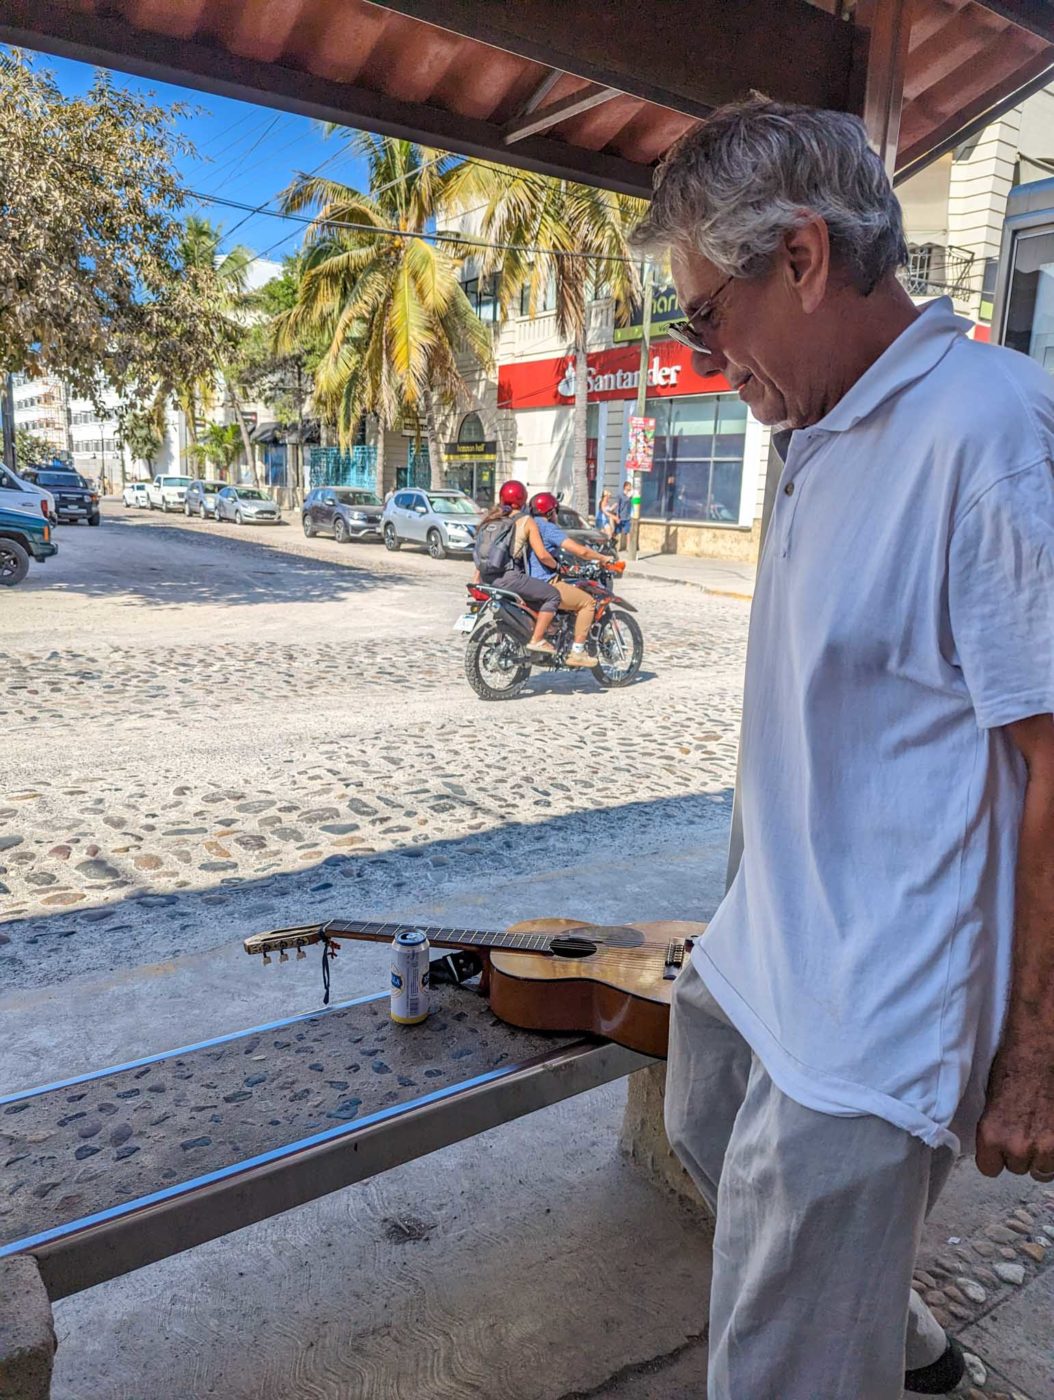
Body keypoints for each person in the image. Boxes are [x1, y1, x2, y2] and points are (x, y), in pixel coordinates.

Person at [630, 96, 1054, 1400]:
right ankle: (883, 1320)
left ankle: (843, 1331)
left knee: (771, 1353)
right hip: (771, 944)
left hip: (876, 1005)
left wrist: (1033, 1047)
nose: (705, 358)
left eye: (706, 315)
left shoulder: (984, 438)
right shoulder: (820, 421)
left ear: (802, 259)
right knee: (699, 1118)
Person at [521, 491, 620, 668]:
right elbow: (580, 551)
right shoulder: (547, 528)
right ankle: (577, 651)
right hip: (545, 582)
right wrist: (603, 558)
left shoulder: (526, 523)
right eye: (555, 511)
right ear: (550, 511)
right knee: (587, 602)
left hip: (526, 582)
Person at [472, 479, 561, 655]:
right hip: (510, 578)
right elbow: (542, 554)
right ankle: (538, 639)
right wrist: (558, 566)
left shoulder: (493, 518)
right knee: (552, 595)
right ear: (523, 499)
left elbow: (485, 554)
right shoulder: (526, 520)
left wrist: (476, 579)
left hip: (488, 579)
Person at [614, 480, 633, 550]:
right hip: (621, 516)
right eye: (629, 486)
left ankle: (628, 547)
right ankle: (615, 545)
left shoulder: (630, 496)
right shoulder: (620, 495)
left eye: (630, 486)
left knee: (627, 532)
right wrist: (617, 516)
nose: (630, 487)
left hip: (627, 517)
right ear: (625, 487)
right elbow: (618, 505)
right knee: (617, 532)